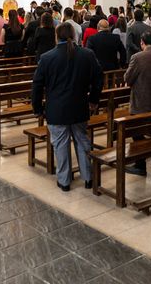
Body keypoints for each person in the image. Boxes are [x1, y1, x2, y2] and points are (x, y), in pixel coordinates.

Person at [32, 22, 103, 192]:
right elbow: (98, 79)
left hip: (57, 110)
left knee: (61, 144)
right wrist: (94, 100)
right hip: (79, 106)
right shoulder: (87, 54)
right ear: (74, 35)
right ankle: (88, 178)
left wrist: (37, 109)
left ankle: (64, 180)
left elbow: (37, 85)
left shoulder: (47, 58)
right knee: (82, 141)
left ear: (56, 37)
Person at [124, 31, 151, 175]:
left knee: (136, 133)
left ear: (142, 42)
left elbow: (128, 78)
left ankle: (140, 164)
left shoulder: (137, 57)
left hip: (140, 105)